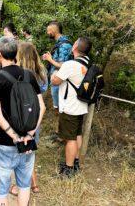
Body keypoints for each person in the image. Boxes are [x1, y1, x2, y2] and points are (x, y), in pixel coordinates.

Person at [0, 37, 46, 206]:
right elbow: (41, 107)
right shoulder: (29, 75)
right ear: (15, 53)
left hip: (2, 141)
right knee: (24, 185)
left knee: (1, 190)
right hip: (28, 142)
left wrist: (14, 136)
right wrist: (30, 133)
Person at [51, 37, 92, 178]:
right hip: (81, 106)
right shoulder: (87, 63)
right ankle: (74, 162)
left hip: (70, 107)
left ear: (75, 47)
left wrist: (54, 75)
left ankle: (68, 170)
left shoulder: (70, 64)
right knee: (77, 134)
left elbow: (56, 81)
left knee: (70, 139)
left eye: (74, 42)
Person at [13, 41, 48, 194]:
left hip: (21, 116)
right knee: (30, 150)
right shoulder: (41, 73)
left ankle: (20, 185)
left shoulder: (19, 73)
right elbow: (44, 90)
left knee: (17, 151)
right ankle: (34, 184)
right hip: (36, 116)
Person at [42, 21, 72, 138]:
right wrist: (49, 58)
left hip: (60, 83)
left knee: (61, 109)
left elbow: (63, 65)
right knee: (58, 109)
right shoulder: (59, 44)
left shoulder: (64, 45)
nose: (47, 32)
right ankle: (59, 133)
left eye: (48, 30)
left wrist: (50, 59)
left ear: (53, 31)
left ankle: (62, 135)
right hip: (56, 82)